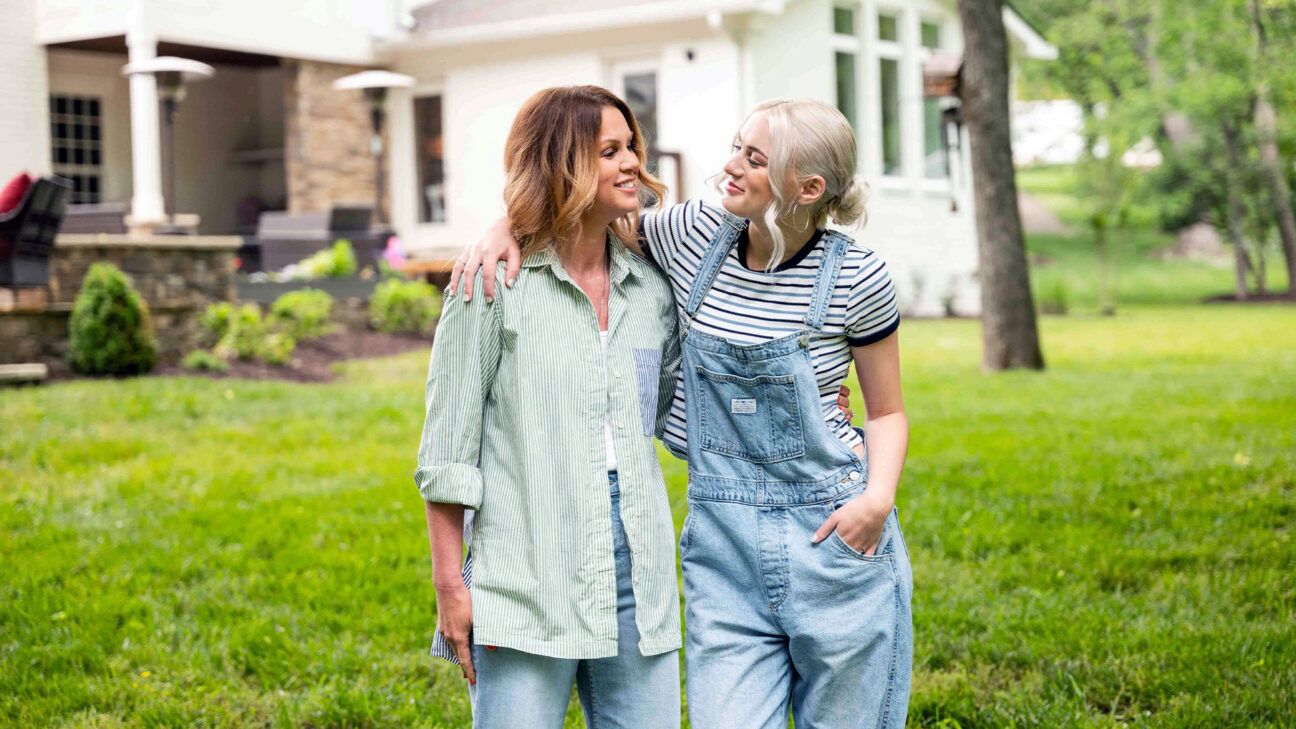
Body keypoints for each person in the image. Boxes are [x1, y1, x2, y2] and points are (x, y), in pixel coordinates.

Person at [453, 98, 913, 729]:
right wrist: (505, 223)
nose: (731, 166)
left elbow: (886, 410)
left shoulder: (857, 278)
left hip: (830, 531)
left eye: (755, 159)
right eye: (736, 146)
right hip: (723, 541)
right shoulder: (696, 232)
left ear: (807, 188)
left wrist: (877, 499)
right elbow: (585, 213)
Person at [414, 85, 683, 729]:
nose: (630, 165)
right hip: (522, 576)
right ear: (561, 165)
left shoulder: (650, 287)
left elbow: (673, 407)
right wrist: (453, 588)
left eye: (630, 148)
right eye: (608, 151)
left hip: (637, 576)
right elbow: (447, 454)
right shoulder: (491, 283)